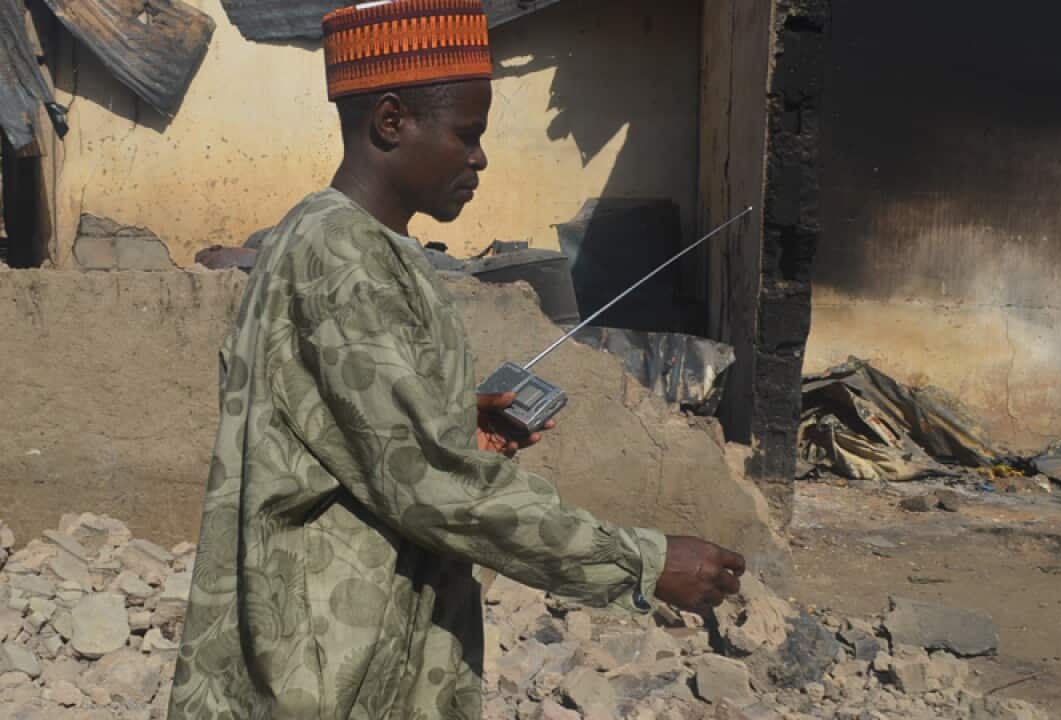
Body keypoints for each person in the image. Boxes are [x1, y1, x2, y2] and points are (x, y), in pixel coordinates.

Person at [166, 1, 746, 717]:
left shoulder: (329, 238)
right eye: (466, 134)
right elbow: (426, 486)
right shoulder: (346, 263)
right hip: (328, 662)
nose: (479, 157)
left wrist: (448, 419)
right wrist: (644, 561)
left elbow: (343, 432)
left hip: (345, 640)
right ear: (390, 122)